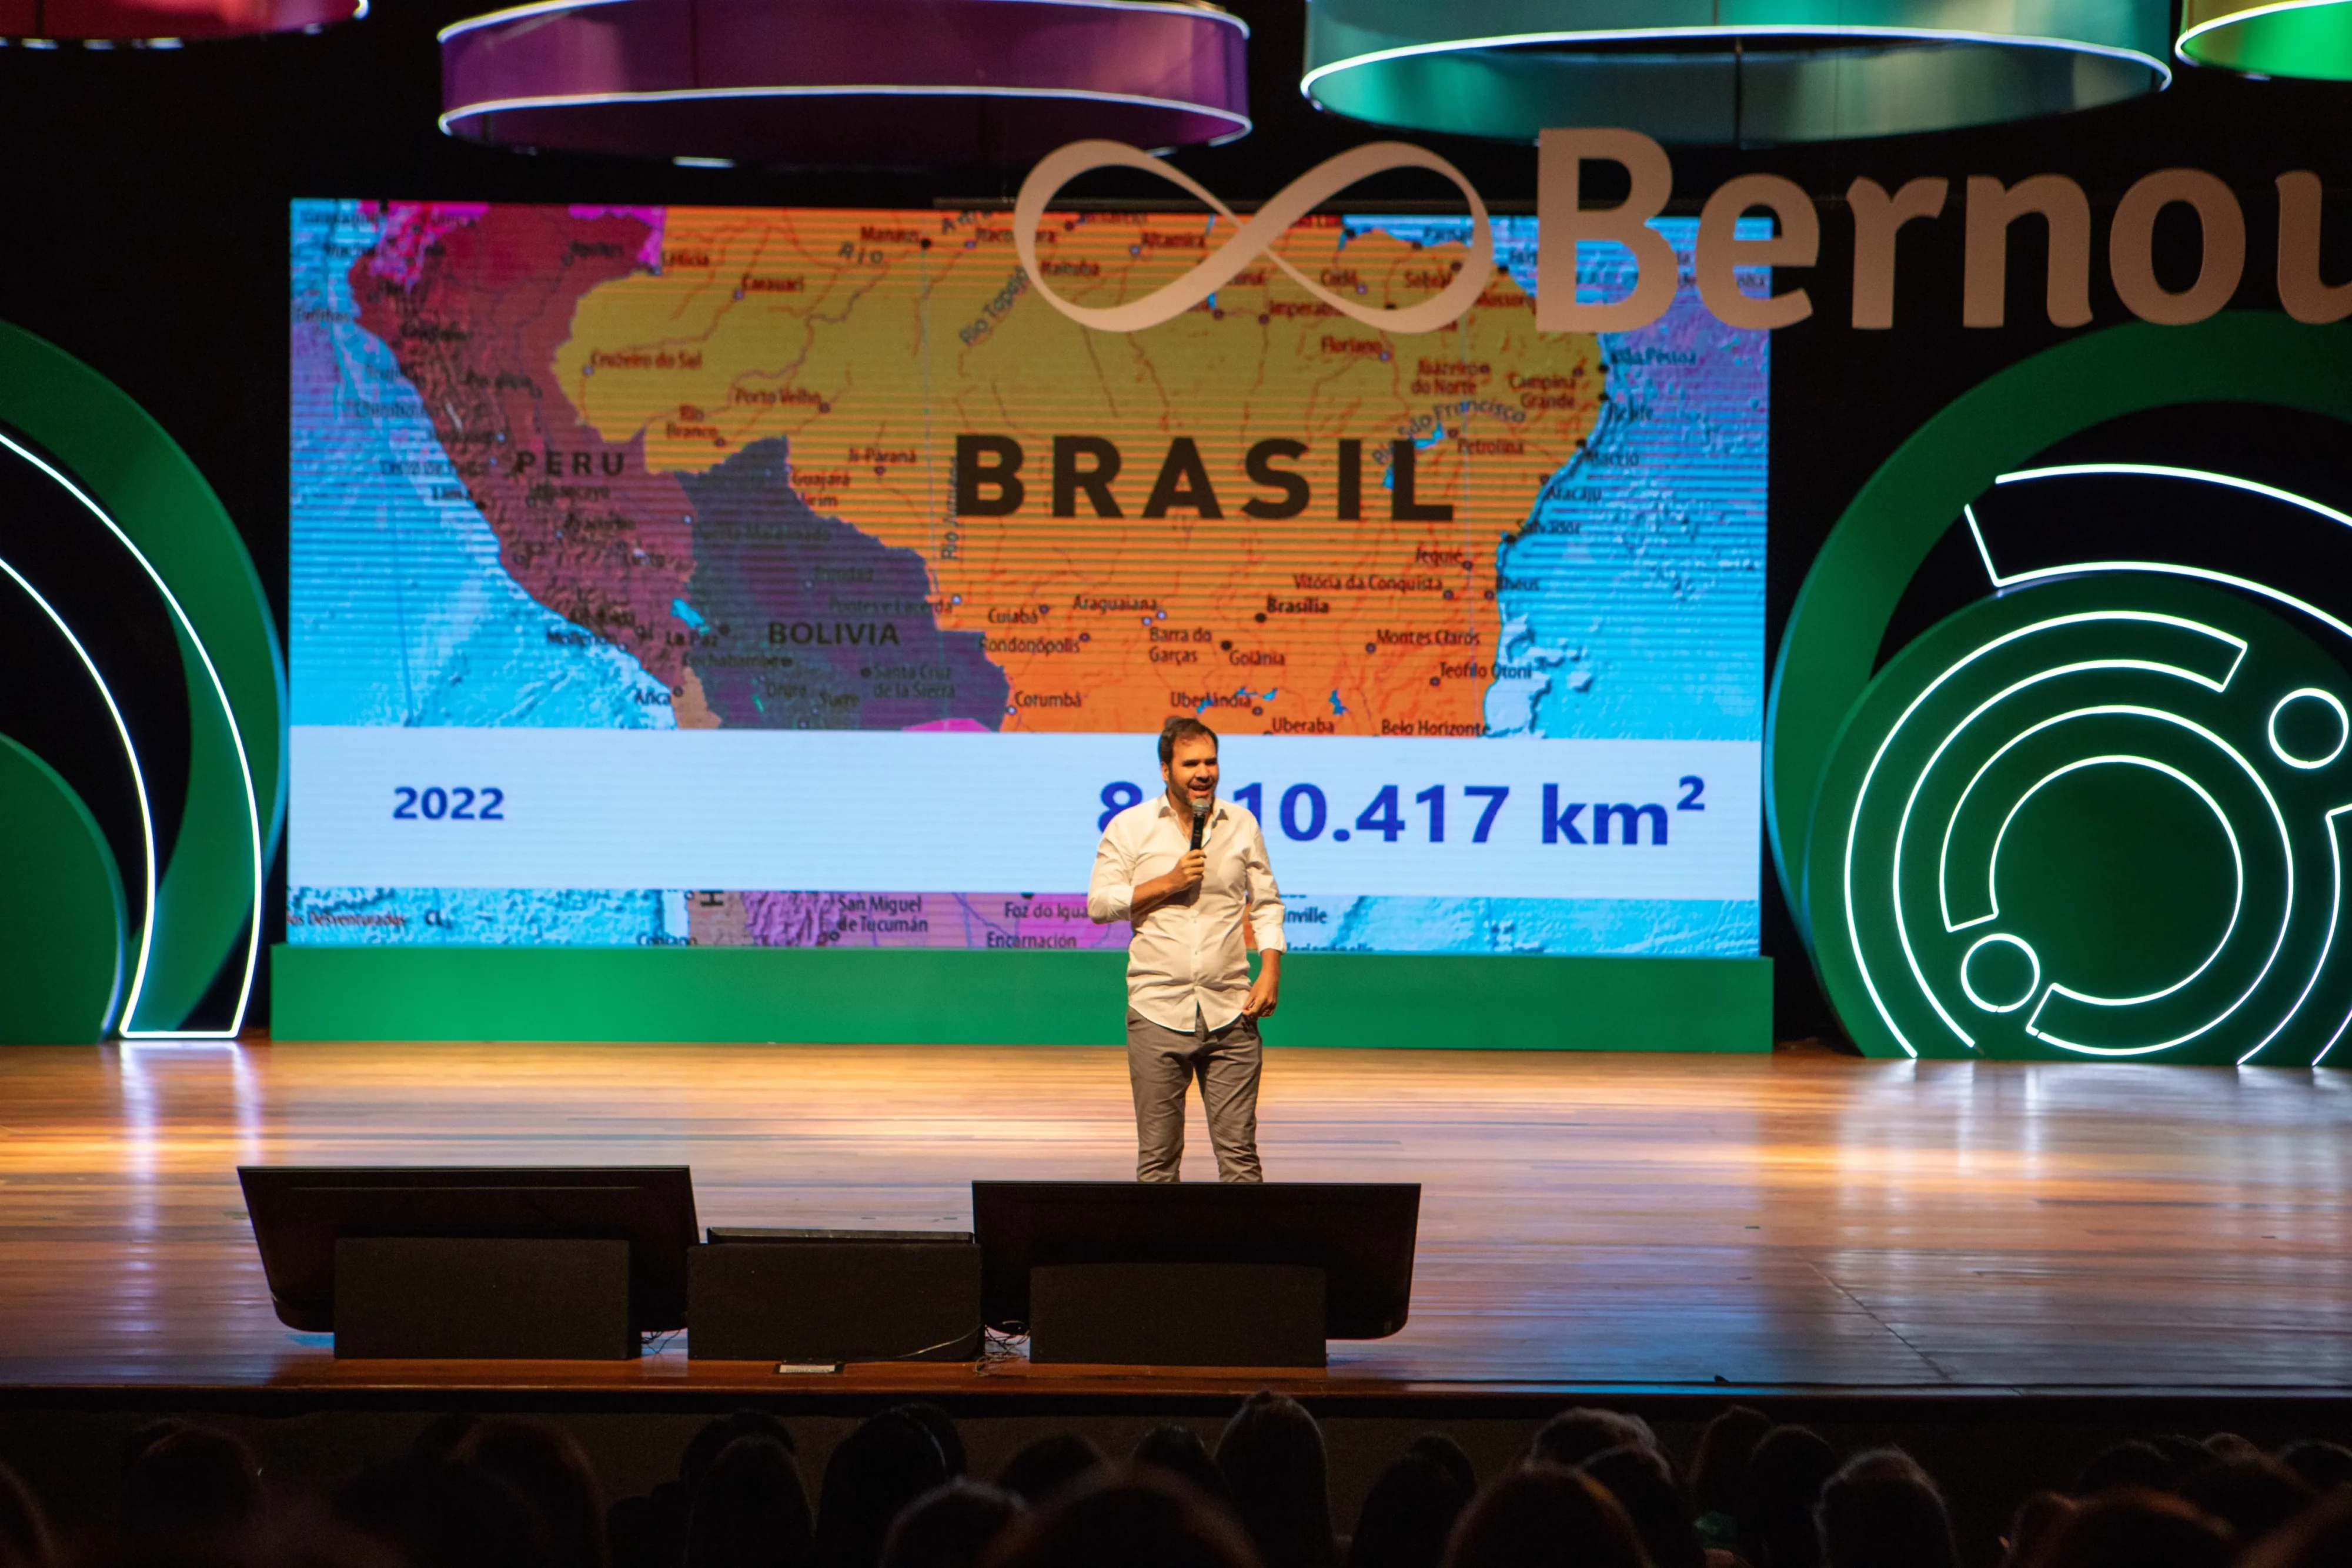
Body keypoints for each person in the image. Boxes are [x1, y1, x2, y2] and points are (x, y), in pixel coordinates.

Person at [1087, 717, 1285, 1183]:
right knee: (1158, 1162)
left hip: (1231, 1009)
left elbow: (1266, 903)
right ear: (1165, 770)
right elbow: (1099, 903)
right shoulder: (1131, 826)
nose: (1203, 772)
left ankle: (1246, 1237)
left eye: (1210, 762)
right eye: (1190, 763)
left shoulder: (1241, 824)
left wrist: (1270, 970)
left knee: (1241, 1160)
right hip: (1157, 1009)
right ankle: (1160, 1237)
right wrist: (1168, 882)